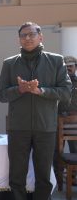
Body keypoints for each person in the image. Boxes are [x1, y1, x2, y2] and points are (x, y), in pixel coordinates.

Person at [0, 22, 71, 200]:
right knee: (17, 176)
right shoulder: (9, 63)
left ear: (40, 37)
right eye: (24, 35)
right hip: (18, 127)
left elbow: (66, 92)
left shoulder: (55, 61)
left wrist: (41, 91)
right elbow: (1, 95)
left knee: (44, 176)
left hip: (45, 127)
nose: (27, 38)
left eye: (31, 34)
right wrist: (19, 89)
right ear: (19, 39)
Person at [54, 55, 77, 183]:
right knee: (57, 151)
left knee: (75, 150)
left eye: (71, 66)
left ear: (75, 67)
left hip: (75, 122)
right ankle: (58, 181)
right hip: (59, 119)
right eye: (66, 66)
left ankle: (73, 179)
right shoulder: (58, 83)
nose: (68, 69)